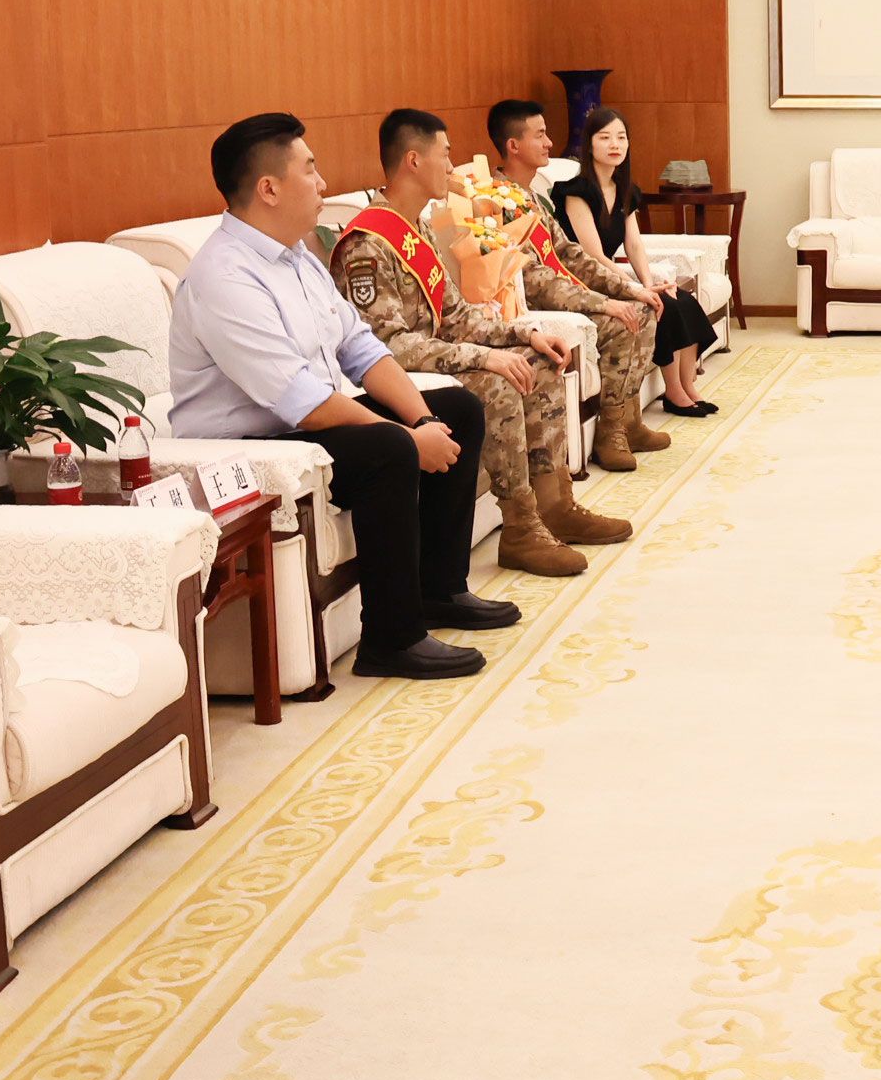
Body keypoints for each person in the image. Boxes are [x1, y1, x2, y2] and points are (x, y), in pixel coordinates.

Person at [167, 113, 514, 680]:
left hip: (306, 428)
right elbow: (300, 400)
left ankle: (439, 591)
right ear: (269, 188)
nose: (323, 183)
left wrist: (423, 420)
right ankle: (391, 640)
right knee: (388, 449)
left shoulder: (296, 257)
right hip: (255, 446)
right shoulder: (223, 277)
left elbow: (360, 347)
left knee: (457, 409)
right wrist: (408, 438)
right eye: (310, 169)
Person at [330, 109, 632, 580]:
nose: (452, 167)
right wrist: (485, 357)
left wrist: (522, 334)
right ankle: (520, 528)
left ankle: (556, 505)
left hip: (433, 360)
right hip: (394, 380)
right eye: (445, 155)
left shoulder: (415, 228)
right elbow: (387, 345)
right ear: (414, 160)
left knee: (540, 359)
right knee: (498, 383)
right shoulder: (367, 244)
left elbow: (456, 315)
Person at [485, 99, 666, 473]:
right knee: (621, 322)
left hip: (563, 292)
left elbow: (570, 255)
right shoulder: (496, 203)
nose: (550, 143)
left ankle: (627, 422)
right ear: (514, 145)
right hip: (531, 307)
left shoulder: (529, 197)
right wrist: (603, 303)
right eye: (540, 135)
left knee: (644, 307)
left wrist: (629, 288)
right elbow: (535, 280)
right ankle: (609, 433)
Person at [561, 108, 723, 420]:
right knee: (664, 306)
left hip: (615, 276)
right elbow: (593, 255)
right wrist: (636, 289)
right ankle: (673, 391)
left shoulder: (625, 191)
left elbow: (634, 244)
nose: (614, 144)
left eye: (621, 137)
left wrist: (649, 283)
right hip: (587, 279)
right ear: (589, 145)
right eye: (604, 137)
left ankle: (688, 386)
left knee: (683, 300)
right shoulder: (576, 191)